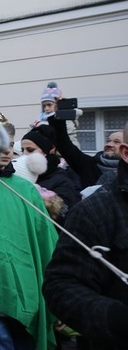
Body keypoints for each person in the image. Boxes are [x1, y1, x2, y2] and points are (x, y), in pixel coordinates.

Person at [0, 120, 59, 350]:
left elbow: (45, 240)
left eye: (8, 144)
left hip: (25, 290)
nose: (7, 151)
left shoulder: (25, 189)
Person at [43, 122, 128, 350]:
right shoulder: (94, 210)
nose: (108, 143)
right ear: (126, 153)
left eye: (115, 139)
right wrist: (114, 318)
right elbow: (61, 285)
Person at [20, 125, 81, 224]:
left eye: (30, 150)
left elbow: (61, 217)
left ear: (51, 150)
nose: (24, 155)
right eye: (22, 150)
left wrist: (39, 195)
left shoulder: (62, 181)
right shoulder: (21, 174)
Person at [48, 114, 123, 193]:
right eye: (108, 140)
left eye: (116, 142)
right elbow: (63, 144)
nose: (109, 144)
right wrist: (58, 114)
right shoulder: (89, 164)